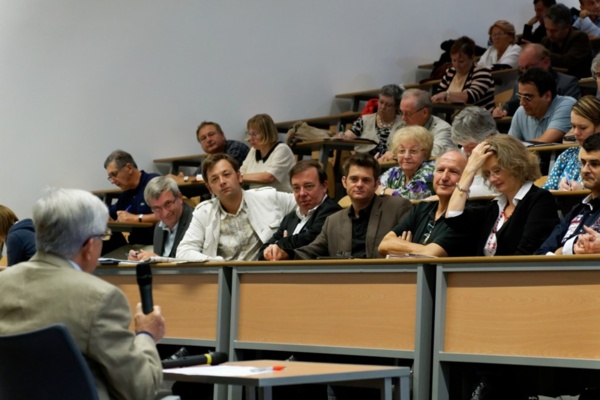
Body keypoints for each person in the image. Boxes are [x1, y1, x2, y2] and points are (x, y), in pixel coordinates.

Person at [0, 188, 166, 400]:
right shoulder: (100, 298)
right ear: (89, 246)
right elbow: (140, 389)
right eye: (102, 236)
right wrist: (146, 335)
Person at [445, 134, 559, 256]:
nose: (492, 179)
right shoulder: (496, 206)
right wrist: (470, 170)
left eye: (497, 170)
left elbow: (526, 253)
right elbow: (453, 217)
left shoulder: (540, 200)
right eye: (488, 173)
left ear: (515, 165)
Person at [176, 153, 296, 261]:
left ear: (239, 177)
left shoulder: (268, 197)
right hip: (225, 280)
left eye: (226, 174)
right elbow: (183, 251)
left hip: (266, 276)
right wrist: (216, 262)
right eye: (215, 179)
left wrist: (290, 243)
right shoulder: (203, 213)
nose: (222, 181)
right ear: (209, 188)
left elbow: (305, 202)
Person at [294, 153, 412, 259]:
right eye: (354, 179)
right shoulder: (333, 221)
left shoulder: (397, 208)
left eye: (366, 180)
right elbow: (310, 251)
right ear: (345, 182)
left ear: (376, 185)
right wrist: (284, 253)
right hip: (343, 281)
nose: (359, 185)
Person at [378, 150, 474, 257]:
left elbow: (432, 254)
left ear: (468, 179)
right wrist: (421, 250)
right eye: (440, 170)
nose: (444, 177)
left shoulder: (468, 215)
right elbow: (384, 244)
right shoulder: (422, 208)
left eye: (453, 172)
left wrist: (404, 249)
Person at [259, 160, 341, 261]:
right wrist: (271, 251)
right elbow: (263, 251)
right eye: (296, 188)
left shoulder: (332, 212)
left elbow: (310, 239)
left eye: (308, 186)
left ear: (324, 186)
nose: (302, 193)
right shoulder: (290, 218)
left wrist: (280, 244)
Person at [537, 133, 600, 254]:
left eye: (594, 164)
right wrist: (569, 249)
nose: (585, 170)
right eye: (583, 163)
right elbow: (541, 253)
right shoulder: (578, 209)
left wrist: (561, 251)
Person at [493, 43, 581, 118]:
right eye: (521, 68)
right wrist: (503, 110)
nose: (524, 73)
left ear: (546, 62)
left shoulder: (567, 83)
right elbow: (513, 104)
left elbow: (572, 114)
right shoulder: (519, 83)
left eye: (528, 67)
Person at [103, 150, 159, 254]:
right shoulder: (126, 193)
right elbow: (112, 212)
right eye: (110, 177)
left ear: (129, 168)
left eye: (114, 174)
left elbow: (168, 213)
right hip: (134, 247)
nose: (113, 181)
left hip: (156, 245)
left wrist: (136, 218)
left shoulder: (154, 183)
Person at [127, 176, 193, 261]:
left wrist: (158, 259)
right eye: (157, 208)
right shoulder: (159, 227)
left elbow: (192, 264)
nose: (165, 213)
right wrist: (140, 259)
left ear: (179, 198)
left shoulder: (195, 221)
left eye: (168, 203)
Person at [379, 88, 454, 161]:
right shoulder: (401, 126)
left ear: (424, 112)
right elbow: (390, 151)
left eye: (408, 114)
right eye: (401, 112)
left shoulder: (443, 129)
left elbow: (435, 154)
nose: (403, 118)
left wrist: (397, 154)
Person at [543, 96, 600, 190]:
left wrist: (582, 190)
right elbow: (545, 191)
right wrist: (559, 191)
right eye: (573, 126)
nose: (575, 133)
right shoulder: (567, 155)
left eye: (583, 127)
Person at [508, 67, 576, 143]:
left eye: (528, 97)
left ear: (547, 96)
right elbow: (509, 146)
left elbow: (544, 142)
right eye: (520, 96)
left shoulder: (566, 105)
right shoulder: (521, 111)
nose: (522, 103)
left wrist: (516, 147)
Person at [171, 121, 249, 184]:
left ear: (222, 135)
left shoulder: (236, 148)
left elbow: (219, 175)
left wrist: (185, 179)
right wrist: (179, 179)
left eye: (211, 135)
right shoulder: (209, 158)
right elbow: (197, 178)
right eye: (203, 138)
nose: (208, 140)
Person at [431, 36, 495, 111]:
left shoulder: (482, 73)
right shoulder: (450, 72)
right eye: (454, 60)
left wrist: (447, 95)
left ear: (472, 58)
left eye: (461, 61)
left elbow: (471, 97)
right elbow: (439, 93)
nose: (456, 65)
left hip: (477, 118)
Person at [341, 84, 404, 155]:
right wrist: (341, 136)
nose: (382, 107)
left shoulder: (403, 123)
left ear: (397, 107)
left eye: (388, 105)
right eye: (381, 102)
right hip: (365, 162)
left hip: (390, 163)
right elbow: (347, 136)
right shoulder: (365, 120)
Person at [450, 106, 499, 197]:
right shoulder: (464, 151)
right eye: (462, 145)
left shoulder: (503, 154)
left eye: (471, 146)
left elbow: (493, 190)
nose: (465, 150)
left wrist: (452, 194)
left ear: (489, 137)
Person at [240, 113, 295, 193]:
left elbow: (269, 177)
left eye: (255, 134)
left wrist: (240, 177)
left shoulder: (282, 149)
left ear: (267, 133)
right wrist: (238, 177)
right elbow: (241, 172)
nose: (250, 138)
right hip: (256, 198)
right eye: (249, 134)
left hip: (280, 199)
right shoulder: (254, 150)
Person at [379, 126, 435, 200]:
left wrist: (383, 190)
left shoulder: (430, 170)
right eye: (402, 151)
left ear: (425, 154)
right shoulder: (394, 172)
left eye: (413, 151)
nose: (406, 156)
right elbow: (373, 188)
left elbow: (411, 196)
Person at [541, 3, 593, 79]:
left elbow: (568, 61)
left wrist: (542, 53)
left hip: (580, 84)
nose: (549, 34)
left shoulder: (580, 37)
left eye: (554, 31)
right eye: (547, 29)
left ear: (567, 26)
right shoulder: (545, 41)